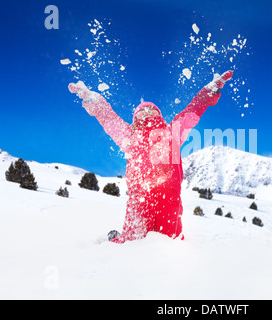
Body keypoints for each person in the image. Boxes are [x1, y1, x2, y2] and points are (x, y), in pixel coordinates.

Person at [68, 70, 233, 243]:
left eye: (151, 110)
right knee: (133, 242)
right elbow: (109, 120)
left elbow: (193, 111)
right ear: (134, 118)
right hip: (139, 197)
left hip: (169, 197)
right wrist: (92, 100)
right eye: (142, 111)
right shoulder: (130, 136)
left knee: (170, 243)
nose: (146, 112)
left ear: (159, 115)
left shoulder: (172, 132)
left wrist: (209, 91)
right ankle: (116, 241)